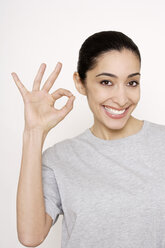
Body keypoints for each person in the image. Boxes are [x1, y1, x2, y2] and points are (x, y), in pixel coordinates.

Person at [12, 30, 165, 248]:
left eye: (132, 83)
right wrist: (34, 132)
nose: (121, 99)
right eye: (106, 82)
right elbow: (31, 236)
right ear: (80, 83)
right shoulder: (58, 159)